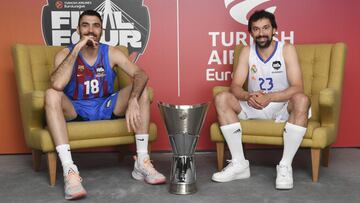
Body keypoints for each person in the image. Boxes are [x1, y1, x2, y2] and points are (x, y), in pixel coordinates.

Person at [45, 10, 166, 200]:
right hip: (75, 107)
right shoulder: (64, 54)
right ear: (78, 29)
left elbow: (141, 74)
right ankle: (70, 171)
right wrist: (77, 48)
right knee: (52, 94)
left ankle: (142, 161)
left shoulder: (110, 52)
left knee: (141, 88)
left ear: (102, 30)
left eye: (96, 25)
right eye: (85, 25)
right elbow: (57, 84)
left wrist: (133, 98)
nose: (91, 30)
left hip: (106, 105)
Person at [211, 10, 310, 190]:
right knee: (222, 98)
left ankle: (285, 166)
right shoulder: (247, 51)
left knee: (302, 99)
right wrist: (247, 96)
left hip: (281, 106)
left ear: (274, 30)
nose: (261, 33)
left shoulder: (286, 49)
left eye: (266, 28)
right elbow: (235, 86)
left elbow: (297, 87)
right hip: (254, 104)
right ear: (251, 33)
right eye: (256, 29)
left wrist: (270, 97)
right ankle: (239, 163)